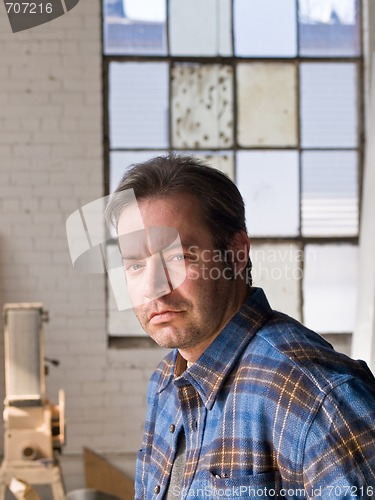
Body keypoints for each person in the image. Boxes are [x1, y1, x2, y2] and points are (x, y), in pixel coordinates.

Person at [106, 154, 375, 500]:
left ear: (236, 252)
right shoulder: (165, 383)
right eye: (135, 265)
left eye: (178, 257)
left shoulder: (316, 395)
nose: (154, 287)